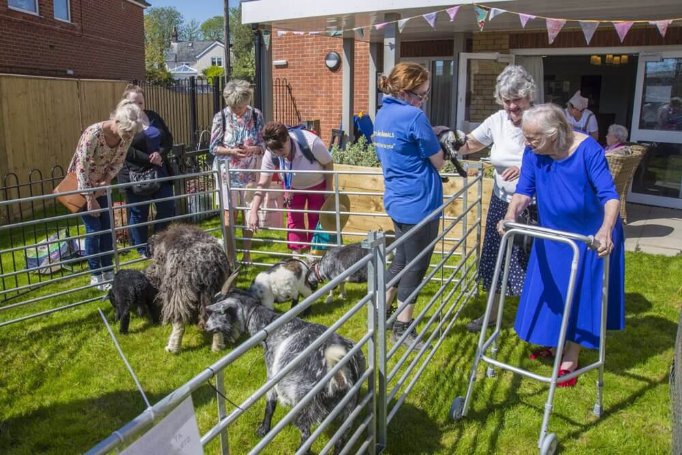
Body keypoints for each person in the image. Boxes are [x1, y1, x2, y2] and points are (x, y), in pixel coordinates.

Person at [500, 103, 625, 387]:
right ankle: (554, 343)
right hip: (554, 233)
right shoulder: (534, 152)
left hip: (589, 235)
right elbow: (523, 192)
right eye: (527, 138)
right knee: (553, 290)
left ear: (555, 134)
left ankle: (571, 355)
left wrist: (605, 231)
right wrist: (510, 215)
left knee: (581, 294)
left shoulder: (588, 150)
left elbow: (609, 195)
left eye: (534, 138)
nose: (528, 143)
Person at [451, 65, 539, 332]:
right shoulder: (497, 120)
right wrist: (449, 140)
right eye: (507, 101)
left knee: (535, 264)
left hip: (537, 206)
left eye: (517, 103)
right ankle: (490, 316)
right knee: (496, 260)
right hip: (503, 202)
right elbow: (471, 144)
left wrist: (527, 171)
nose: (512, 109)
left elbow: (559, 158)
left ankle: (535, 320)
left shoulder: (541, 118)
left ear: (529, 98)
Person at [373, 62, 446, 350]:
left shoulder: (383, 113)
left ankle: (380, 313)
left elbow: (406, 146)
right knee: (415, 267)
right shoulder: (414, 116)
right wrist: (435, 135)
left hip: (397, 198)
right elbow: (438, 160)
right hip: (420, 203)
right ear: (407, 91)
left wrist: (429, 132)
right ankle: (403, 329)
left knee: (401, 260)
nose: (423, 100)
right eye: (422, 94)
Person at [67, 99, 145, 290]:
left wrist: (106, 181)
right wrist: (90, 198)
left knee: (107, 229)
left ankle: (108, 270)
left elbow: (118, 162)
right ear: (117, 122)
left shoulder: (124, 138)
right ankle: (95, 275)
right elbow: (81, 167)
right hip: (82, 186)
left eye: (132, 134)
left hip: (101, 185)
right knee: (94, 231)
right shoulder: (93, 134)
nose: (128, 137)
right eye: (127, 132)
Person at [247, 121, 334, 253]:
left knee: (316, 219)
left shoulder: (311, 143)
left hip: (317, 185)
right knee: (294, 219)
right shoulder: (271, 153)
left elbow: (328, 163)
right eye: (274, 151)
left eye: (281, 149)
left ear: (288, 138)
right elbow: (263, 183)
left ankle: (316, 254)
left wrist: (329, 187)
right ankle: (297, 255)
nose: (279, 154)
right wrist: (253, 211)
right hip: (292, 187)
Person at [210, 80, 266, 264]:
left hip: (250, 173)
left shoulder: (257, 116)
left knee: (248, 213)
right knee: (229, 214)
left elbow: (264, 145)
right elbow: (213, 147)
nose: (237, 110)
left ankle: (247, 254)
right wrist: (232, 151)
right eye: (234, 107)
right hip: (228, 174)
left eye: (240, 107)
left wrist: (252, 149)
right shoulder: (221, 117)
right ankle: (230, 255)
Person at [117, 85, 176, 257]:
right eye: (134, 102)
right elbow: (125, 148)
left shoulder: (153, 116)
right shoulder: (123, 121)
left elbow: (168, 138)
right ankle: (143, 249)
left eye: (140, 102)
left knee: (166, 207)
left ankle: (159, 242)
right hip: (135, 174)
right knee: (139, 213)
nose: (138, 106)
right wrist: (149, 157)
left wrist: (160, 154)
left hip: (160, 171)